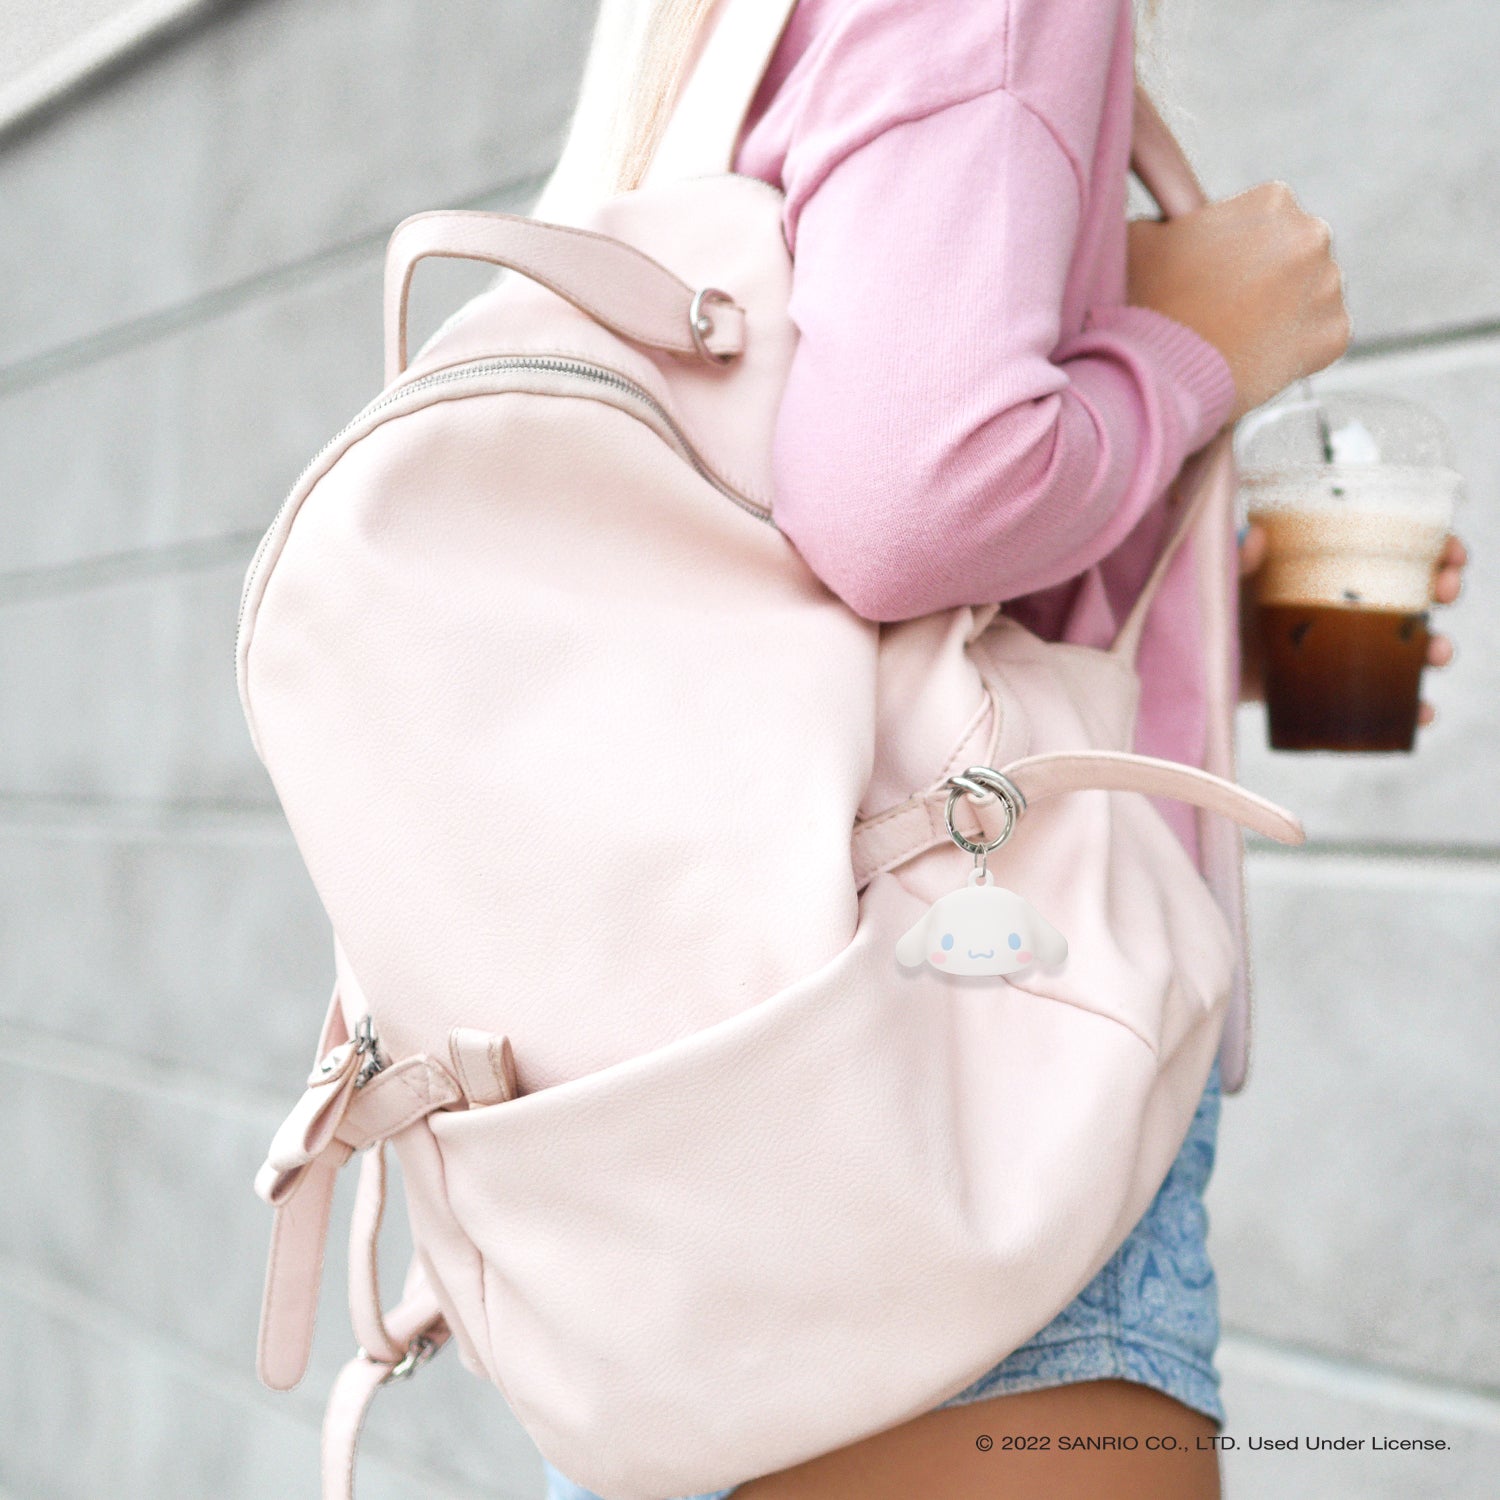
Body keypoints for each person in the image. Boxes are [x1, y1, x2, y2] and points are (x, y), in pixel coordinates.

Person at [541, 1, 1467, 1496]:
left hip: (693, 1125)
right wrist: (1194, 346)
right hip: (972, 1095)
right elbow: (908, 504)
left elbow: (776, 529)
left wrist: (1169, 605)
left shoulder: (700, 34)